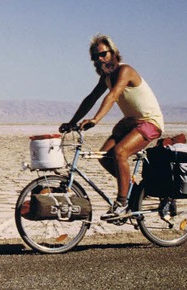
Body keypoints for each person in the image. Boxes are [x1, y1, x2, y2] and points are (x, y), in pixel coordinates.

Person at [59, 34, 165, 220]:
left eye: (103, 54)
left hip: (150, 122)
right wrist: (72, 122)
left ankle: (121, 203)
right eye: (95, 57)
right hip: (131, 122)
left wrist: (96, 120)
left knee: (120, 153)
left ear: (114, 52)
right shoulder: (106, 78)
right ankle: (134, 190)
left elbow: (113, 95)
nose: (100, 60)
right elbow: (90, 99)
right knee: (104, 156)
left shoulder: (125, 71)